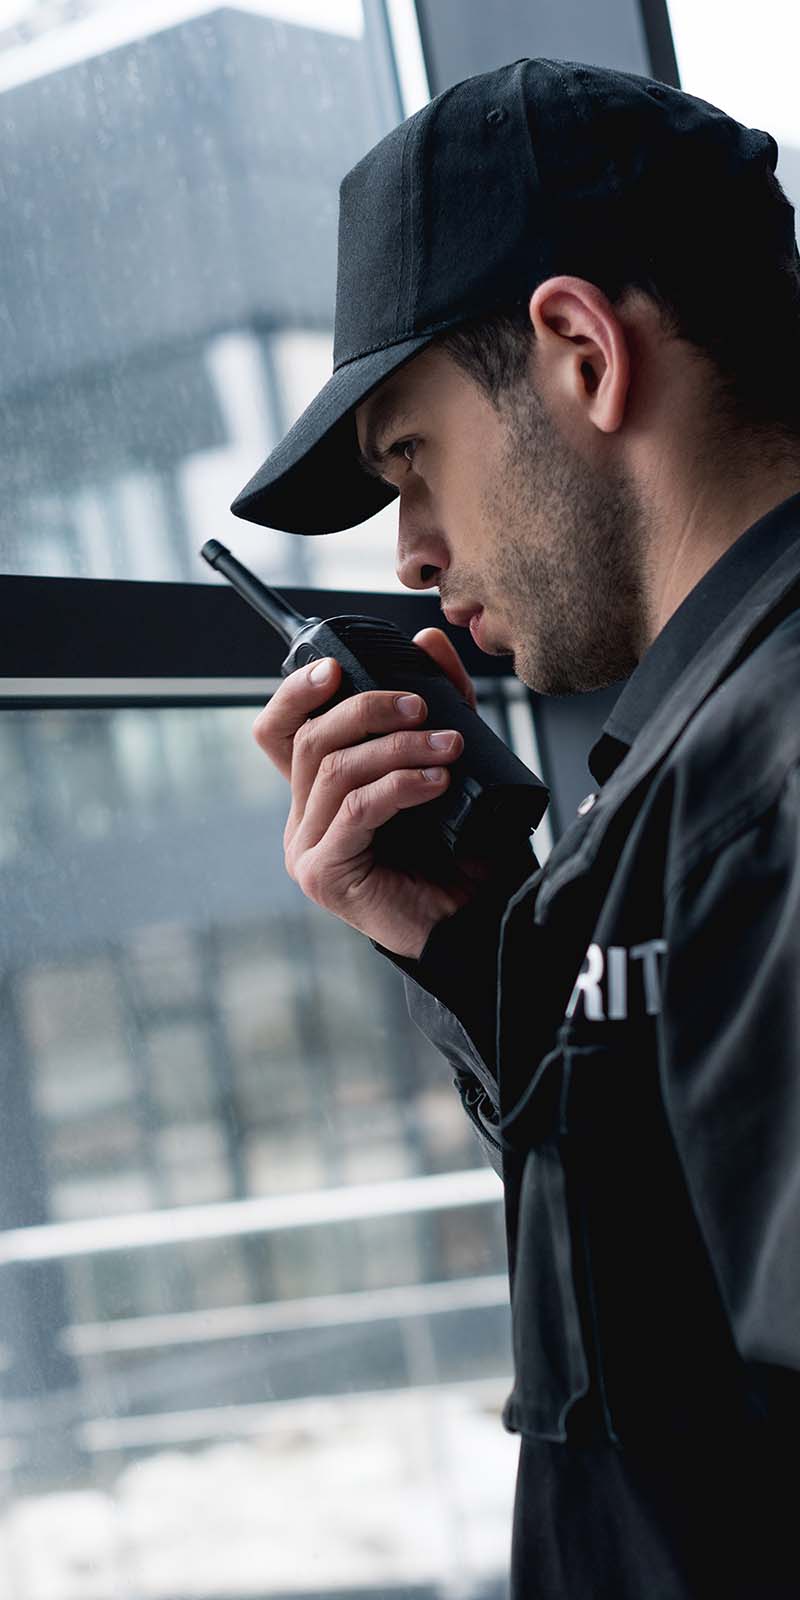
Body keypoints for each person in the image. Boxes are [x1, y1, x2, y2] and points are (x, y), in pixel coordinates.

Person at [231, 59, 800, 1599]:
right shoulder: (702, 765)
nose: (413, 556)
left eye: (413, 464)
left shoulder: (769, 777)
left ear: (579, 351)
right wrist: (482, 944)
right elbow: (678, 1343)